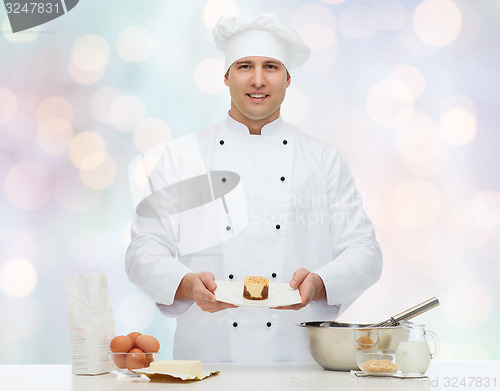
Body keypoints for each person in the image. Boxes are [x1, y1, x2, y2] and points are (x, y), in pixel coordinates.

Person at [126, 14, 382, 362]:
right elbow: (143, 249)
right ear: (227, 76)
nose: (258, 80)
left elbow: (365, 252)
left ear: (288, 78)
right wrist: (185, 284)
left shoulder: (323, 160)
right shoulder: (182, 158)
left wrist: (321, 281)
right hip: (206, 362)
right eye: (245, 66)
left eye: (271, 67)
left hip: (297, 362)